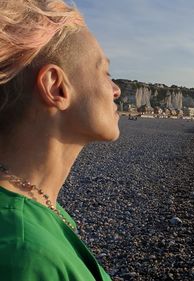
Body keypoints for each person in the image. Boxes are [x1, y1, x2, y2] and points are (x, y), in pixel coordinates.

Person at [0, 0, 120, 280]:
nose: (116, 89)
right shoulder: (25, 256)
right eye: (104, 72)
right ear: (56, 87)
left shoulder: (38, 206)